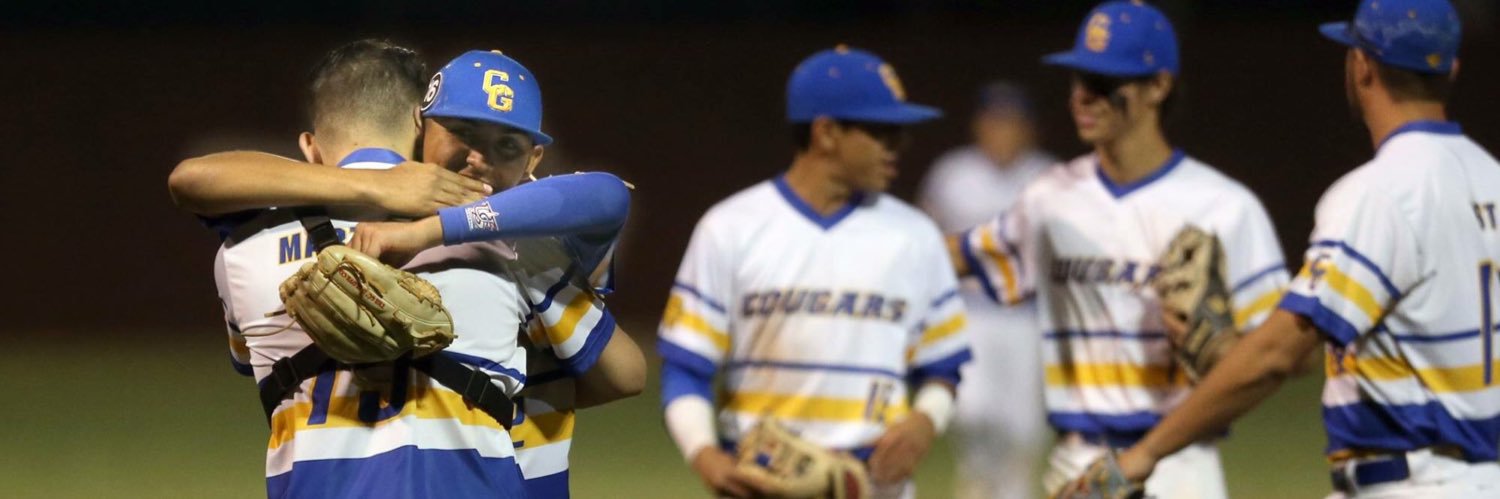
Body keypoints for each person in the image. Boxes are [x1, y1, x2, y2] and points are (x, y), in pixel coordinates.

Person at [169, 43, 644, 498]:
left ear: (309, 148)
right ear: (420, 127)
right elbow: (625, 374)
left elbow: (191, 180)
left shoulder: (241, 248)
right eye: (466, 133)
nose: (478, 158)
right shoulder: (513, 239)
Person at [1077, 1, 1500, 497]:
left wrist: (1141, 456)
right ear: (1451, 67)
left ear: (1360, 65)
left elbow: (1278, 353)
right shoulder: (1491, 177)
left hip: (1415, 483)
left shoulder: (1380, 194)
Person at [949, 2, 1289, 497]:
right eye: (1079, 79)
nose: (1085, 97)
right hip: (1076, 464)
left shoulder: (1224, 207)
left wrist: (1224, 347)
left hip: (1178, 463)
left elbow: (1286, 353)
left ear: (1159, 86)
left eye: (1107, 82)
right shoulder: (1050, 199)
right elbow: (953, 256)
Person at [657, 45, 971, 499]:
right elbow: (686, 365)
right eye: (883, 132)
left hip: (875, 485)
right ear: (826, 132)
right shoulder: (730, 227)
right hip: (763, 482)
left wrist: (926, 421)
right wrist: (704, 455)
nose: (898, 148)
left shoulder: (916, 236)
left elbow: (942, 366)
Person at [917, 81, 1053, 499]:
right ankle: (977, 482)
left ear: (1029, 129)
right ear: (979, 126)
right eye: (995, 121)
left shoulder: (1048, 177)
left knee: (1023, 428)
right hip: (970, 313)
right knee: (973, 414)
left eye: (1012, 122)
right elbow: (926, 241)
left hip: (1026, 319)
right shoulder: (952, 173)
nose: (1003, 130)